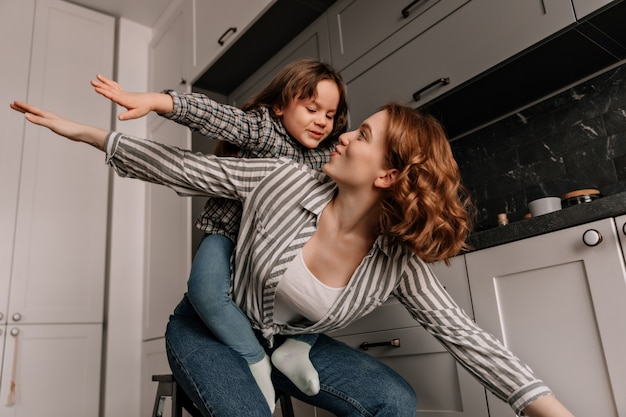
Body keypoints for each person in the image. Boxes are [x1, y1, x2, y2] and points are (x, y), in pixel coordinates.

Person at [9, 100, 576, 417]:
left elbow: (465, 336)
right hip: (208, 329)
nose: (344, 135)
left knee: (396, 402)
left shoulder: (395, 263)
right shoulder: (282, 179)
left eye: (364, 133)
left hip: (287, 344)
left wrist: (544, 409)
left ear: (386, 174)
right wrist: (86, 133)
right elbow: (182, 170)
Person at [91, 58, 349, 408]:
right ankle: (255, 359)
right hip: (229, 232)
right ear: (279, 106)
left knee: (338, 289)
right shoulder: (262, 129)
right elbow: (215, 116)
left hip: (280, 248)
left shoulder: (324, 158)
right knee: (204, 289)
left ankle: (297, 349)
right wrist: (157, 101)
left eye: (330, 115)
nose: (321, 121)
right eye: (312, 108)